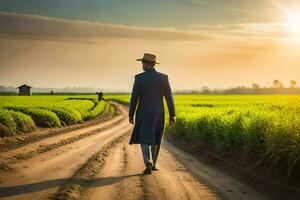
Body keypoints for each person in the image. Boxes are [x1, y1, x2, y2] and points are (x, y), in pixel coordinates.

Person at [128, 53, 176, 175]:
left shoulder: (139, 78)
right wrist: (172, 114)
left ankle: (148, 162)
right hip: (159, 112)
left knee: (145, 137)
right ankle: (153, 164)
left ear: (145, 64)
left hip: (144, 112)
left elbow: (134, 97)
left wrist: (131, 114)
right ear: (154, 64)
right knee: (156, 138)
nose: (142, 66)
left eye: (142, 63)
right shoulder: (163, 78)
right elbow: (169, 97)